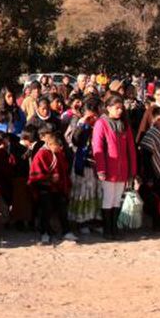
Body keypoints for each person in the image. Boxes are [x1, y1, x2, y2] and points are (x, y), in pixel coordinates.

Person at [92, 95, 137, 240]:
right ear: (109, 108)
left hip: (122, 168)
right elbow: (97, 146)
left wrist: (132, 170)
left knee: (117, 199)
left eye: (121, 108)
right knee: (108, 199)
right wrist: (101, 168)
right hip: (108, 168)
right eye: (117, 108)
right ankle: (107, 229)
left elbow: (131, 148)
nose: (120, 111)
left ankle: (114, 227)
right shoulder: (101, 123)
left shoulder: (125, 124)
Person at [29, 123, 73, 244]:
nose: (60, 148)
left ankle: (66, 231)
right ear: (50, 144)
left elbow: (63, 169)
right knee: (46, 210)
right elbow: (35, 173)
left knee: (62, 208)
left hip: (57, 187)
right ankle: (45, 233)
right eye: (58, 146)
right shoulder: (41, 154)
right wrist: (49, 178)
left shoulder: (59, 153)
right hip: (44, 187)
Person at [66, 99, 102, 234]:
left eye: (94, 116)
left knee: (97, 192)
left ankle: (95, 220)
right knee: (83, 192)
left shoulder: (100, 125)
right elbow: (74, 140)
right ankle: (82, 222)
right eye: (90, 116)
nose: (92, 118)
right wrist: (83, 124)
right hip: (83, 162)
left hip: (97, 163)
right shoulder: (78, 122)